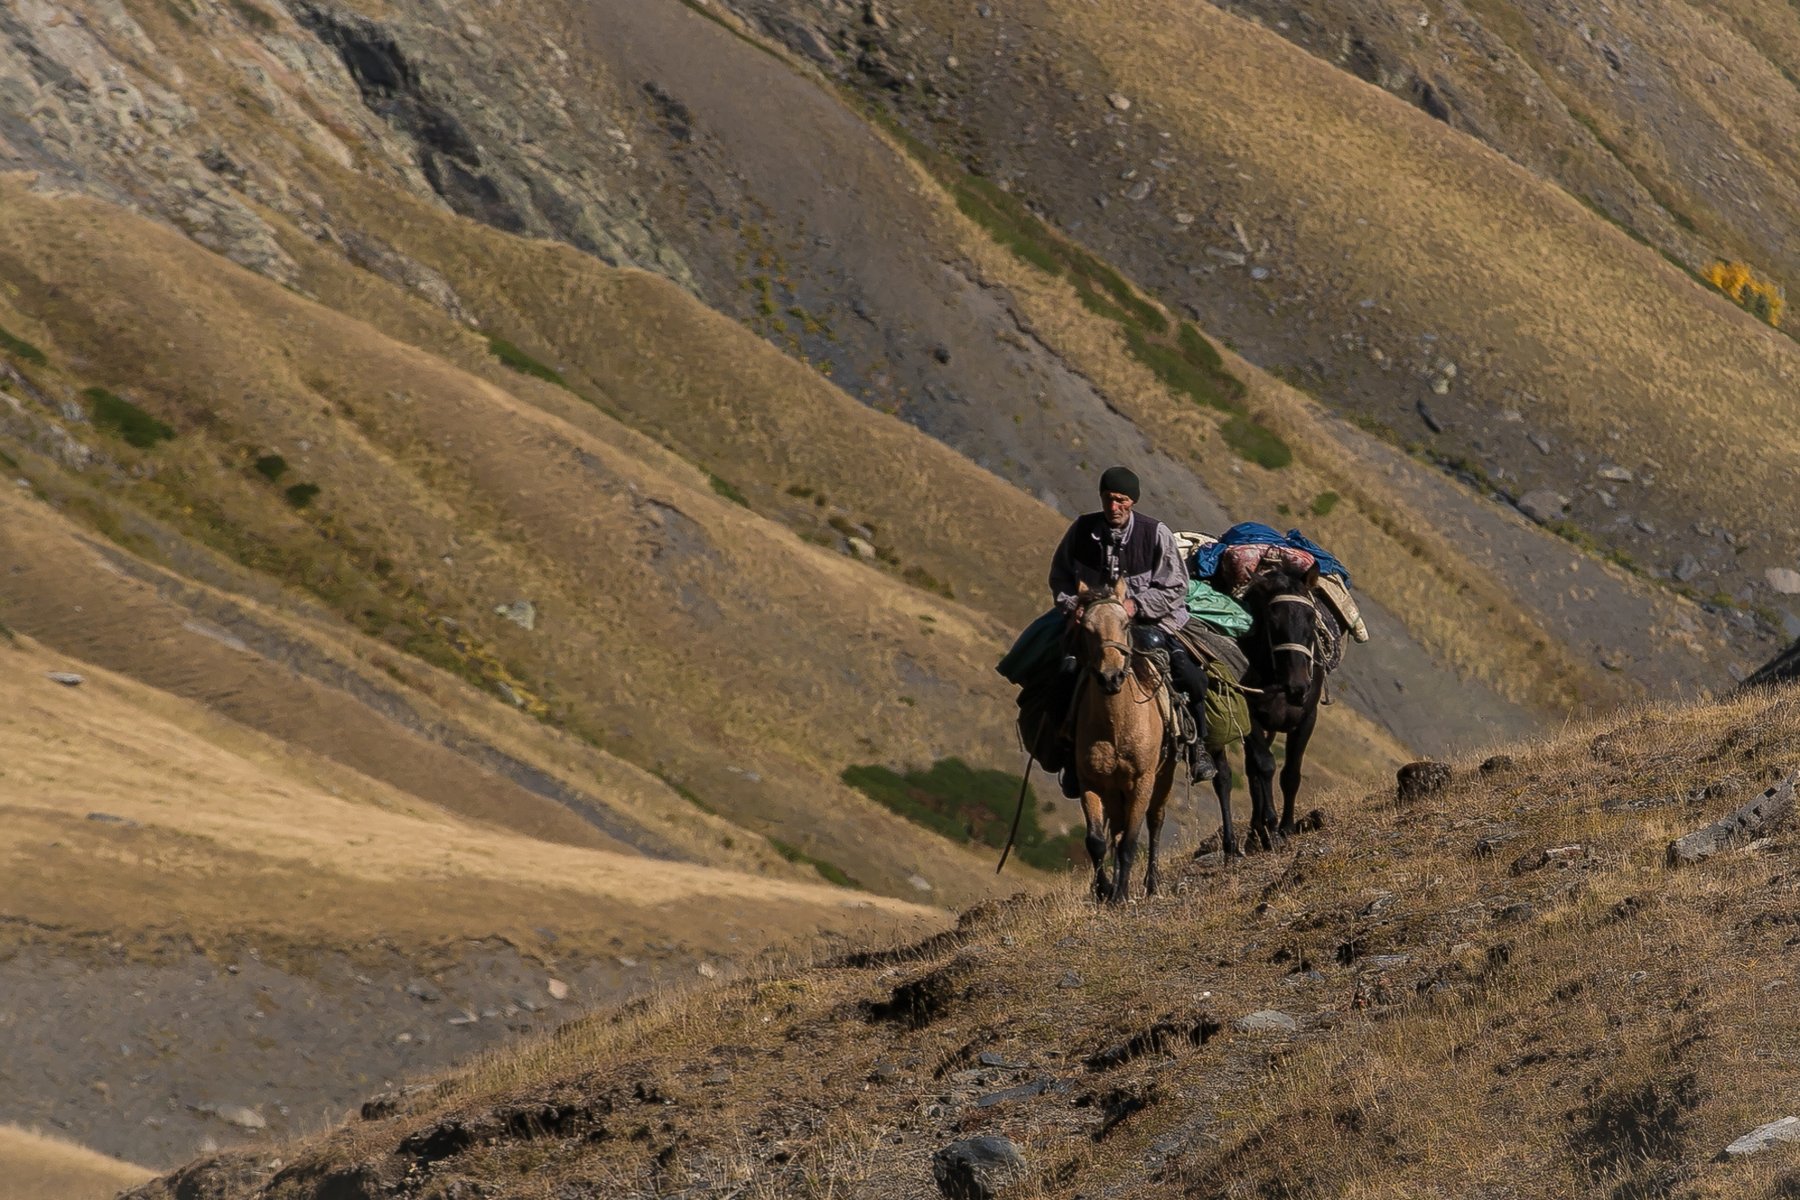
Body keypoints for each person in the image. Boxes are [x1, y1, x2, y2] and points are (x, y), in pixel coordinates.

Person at [1049, 466, 1215, 790]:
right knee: (1063, 673)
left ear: (1133, 501)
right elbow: (1060, 578)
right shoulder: (1081, 531)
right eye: (1109, 499)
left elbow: (1175, 586)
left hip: (1151, 621)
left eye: (1121, 500)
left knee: (1189, 675)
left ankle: (1199, 748)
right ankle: (1071, 754)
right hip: (1095, 624)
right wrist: (1076, 607)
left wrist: (1136, 606)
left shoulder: (1155, 533)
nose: (1114, 507)